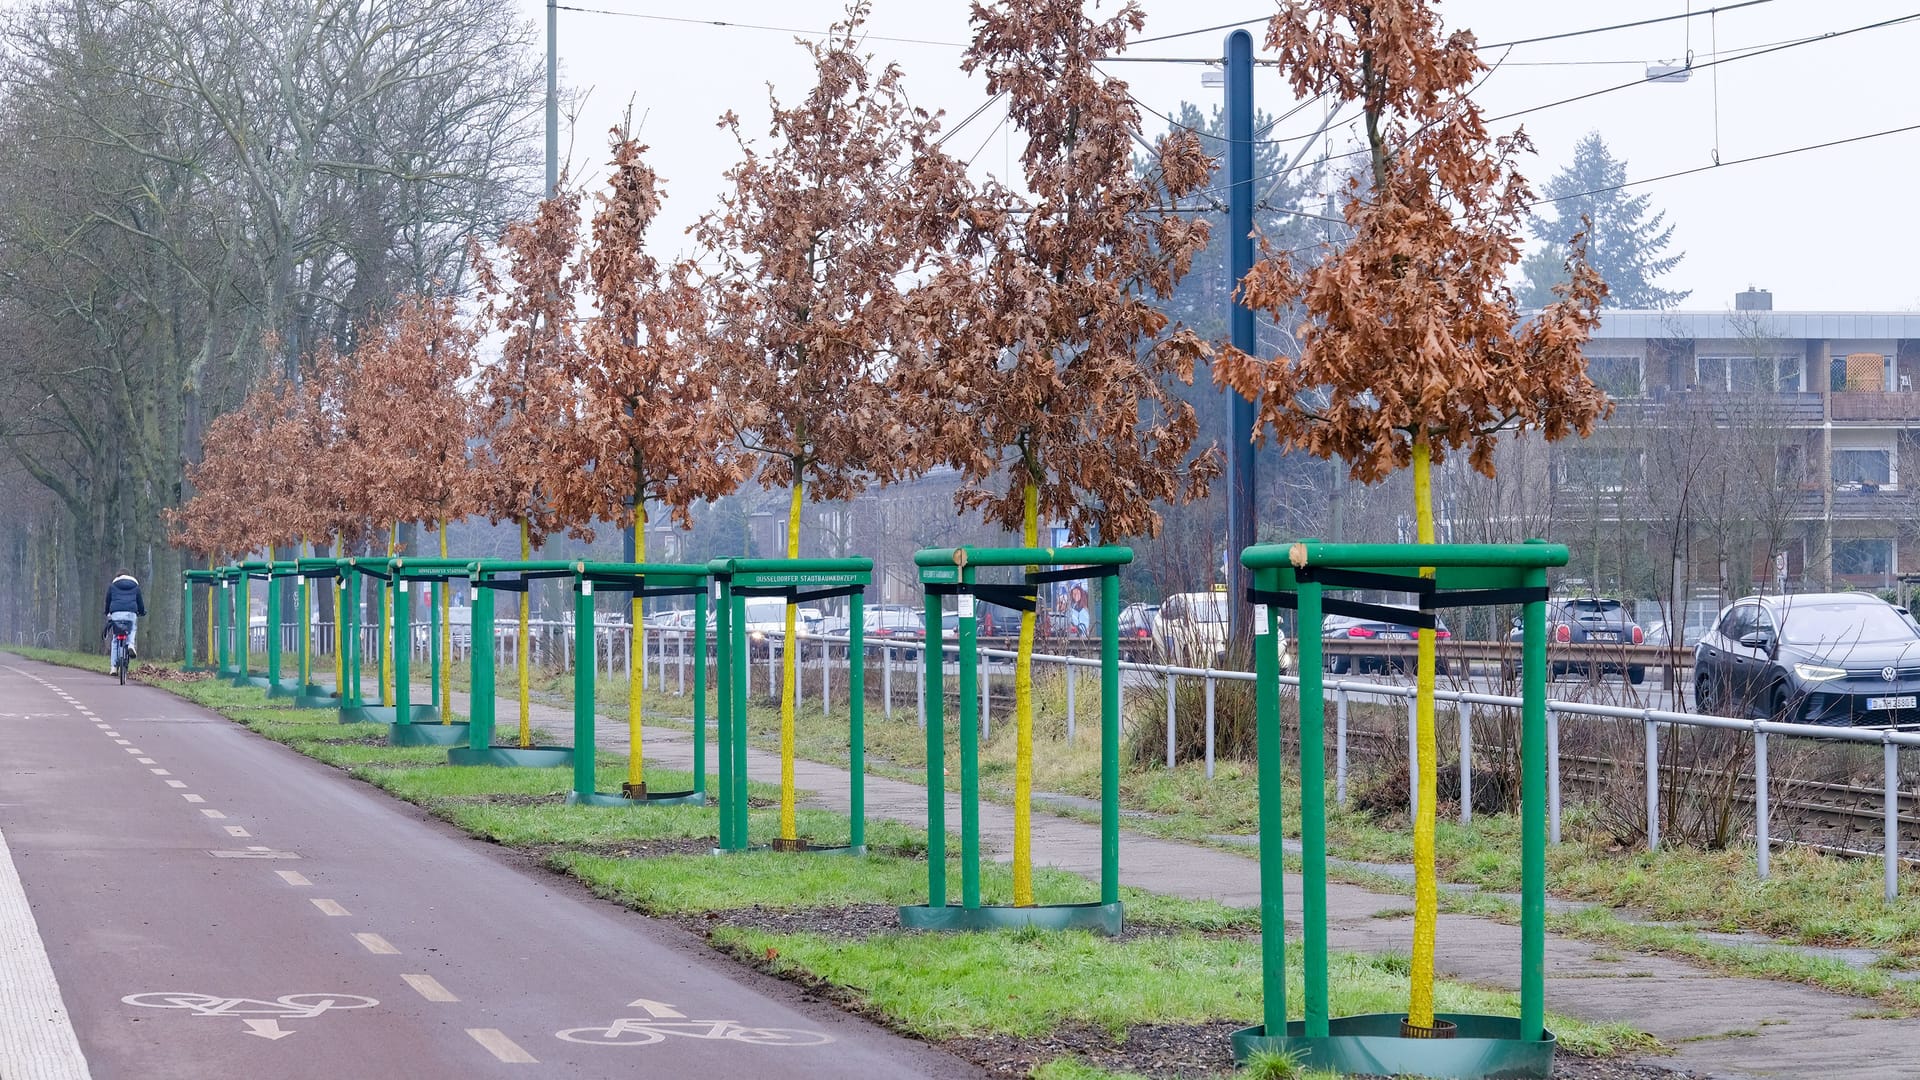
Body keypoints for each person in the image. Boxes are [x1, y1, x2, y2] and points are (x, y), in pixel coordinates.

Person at [102, 569, 146, 672]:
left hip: (116, 613)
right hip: (131, 612)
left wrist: (107, 611)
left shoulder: (112, 586)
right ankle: (130, 644)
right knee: (132, 628)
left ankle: (113, 667)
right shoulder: (135, 586)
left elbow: (108, 600)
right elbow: (139, 601)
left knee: (115, 639)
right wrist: (142, 611)